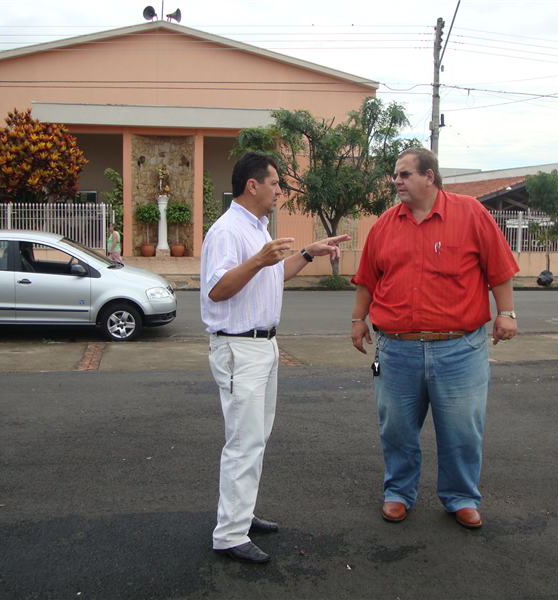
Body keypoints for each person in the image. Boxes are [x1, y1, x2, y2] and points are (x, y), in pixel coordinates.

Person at [350, 147, 519, 530]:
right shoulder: (384, 225)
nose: (397, 181)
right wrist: (358, 320)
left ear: (430, 177)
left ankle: (461, 497)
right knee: (396, 427)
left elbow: (500, 268)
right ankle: (398, 493)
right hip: (397, 350)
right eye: (395, 175)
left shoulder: (471, 213)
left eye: (405, 174)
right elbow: (367, 279)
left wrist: (506, 313)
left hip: (460, 349)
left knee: (462, 429)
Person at [201, 151, 350, 564]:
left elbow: (271, 275)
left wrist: (305, 254)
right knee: (243, 440)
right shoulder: (228, 231)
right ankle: (229, 535)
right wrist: (258, 260)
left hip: (264, 346)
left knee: (256, 438)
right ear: (253, 185)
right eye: (275, 183)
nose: (280, 191)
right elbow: (217, 289)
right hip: (239, 346)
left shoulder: (257, 229)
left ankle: (241, 515)